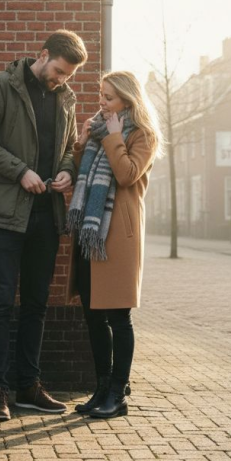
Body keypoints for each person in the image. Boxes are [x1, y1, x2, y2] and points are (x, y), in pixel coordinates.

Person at [0, 30, 88, 421]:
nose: (61, 80)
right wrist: (21, 172)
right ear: (42, 55)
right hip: (5, 215)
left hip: (46, 216)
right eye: (58, 71)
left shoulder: (66, 99)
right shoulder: (1, 87)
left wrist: (67, 172)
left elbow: (69, 149)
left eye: (68, 76)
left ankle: (29, 387)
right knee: (1, 302)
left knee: (36, 303)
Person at [66, 70, 165, 418]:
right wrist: (81, 142)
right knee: (93, 316)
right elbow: (83, 173)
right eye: (101, 94)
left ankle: (118, 394)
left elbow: (126, 174)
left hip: (117, 236)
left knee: (118, 317)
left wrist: (111, 137)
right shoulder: (99, 129)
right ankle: (102, 387)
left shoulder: (143, 135)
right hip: (92, 233)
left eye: (108, 96)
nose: (101, 101)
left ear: (127, 99)